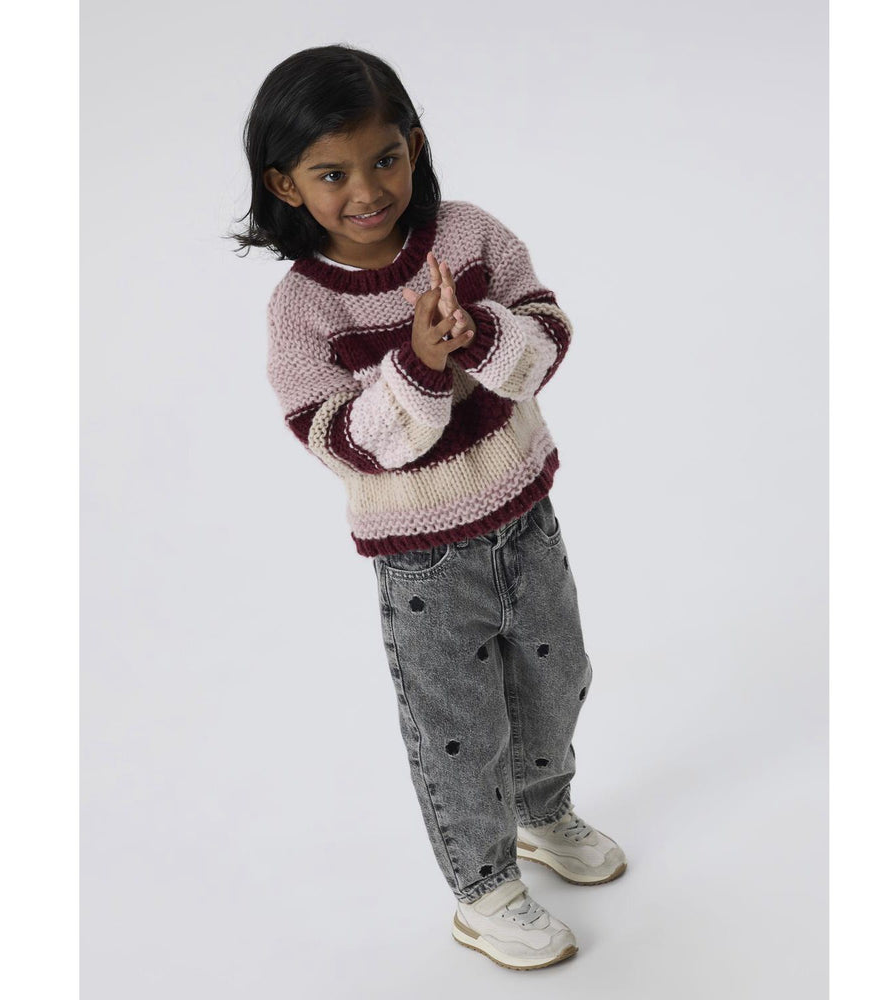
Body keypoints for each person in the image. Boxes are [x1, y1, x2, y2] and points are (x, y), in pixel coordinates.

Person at [231, 43, 628, 972]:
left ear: (414, 144)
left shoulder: (471, 236)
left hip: (526, 517)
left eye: (384, 159)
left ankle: (541, 811)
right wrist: (419, 363)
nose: (367, 190)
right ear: (285, 184)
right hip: (424, 560)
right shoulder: (302, 312)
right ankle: (483, 889)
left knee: (558, 677)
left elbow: (548, 338)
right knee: (458, 727)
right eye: (332, 174)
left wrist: (476, 330)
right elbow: (346, 440)